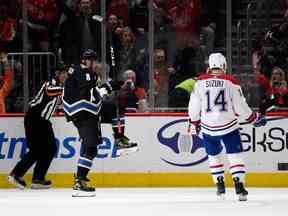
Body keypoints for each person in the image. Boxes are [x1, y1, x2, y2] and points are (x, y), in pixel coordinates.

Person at [188, 53, 267, 201]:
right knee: (234, 155)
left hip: (208, 127)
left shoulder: (199, 82)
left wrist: (194, 122)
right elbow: (240, 106)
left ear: (209, 67)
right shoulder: (231, 81)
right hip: (228, 126)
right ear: (224, 65)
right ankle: (239, 185)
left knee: (213, 156)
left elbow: (193, 106)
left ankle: (220, 185)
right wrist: (253, 118)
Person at [7, 63, 67, 189]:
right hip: (35, 118)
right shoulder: (50, 83)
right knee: (37, 150)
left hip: (43, 121)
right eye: (63, 73)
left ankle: (38, 179)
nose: (65, 75)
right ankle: (16, 174)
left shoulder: (60, 87)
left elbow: (60, 103)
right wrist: (68, 90)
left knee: (50, 149)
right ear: (57, 73)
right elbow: (49, 92)